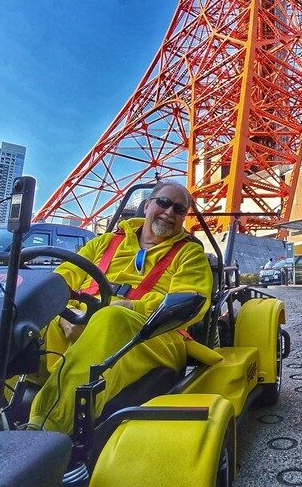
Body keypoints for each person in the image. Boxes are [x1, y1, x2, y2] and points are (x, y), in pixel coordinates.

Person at [27, 180, 212, 434]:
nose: (170, 212)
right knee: (26, 317)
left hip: (153, 333)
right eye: (164, 203)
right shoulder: (103, 242)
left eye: (179, 209)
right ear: (147, 206)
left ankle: (47, 430)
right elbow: (62, 278)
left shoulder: (190, 254)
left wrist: (124, 307)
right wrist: (62, 314)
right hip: (81, 318)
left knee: (110, 319)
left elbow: (192, 299)